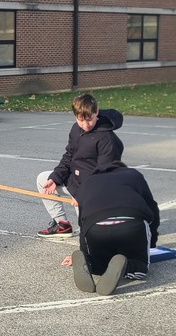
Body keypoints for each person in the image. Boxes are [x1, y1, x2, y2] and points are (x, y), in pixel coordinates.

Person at [36, 92, 123, 237]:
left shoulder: (108, 139)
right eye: (80, 120)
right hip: (76, 182)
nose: (85, 125)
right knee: (43, 179)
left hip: (96, 191)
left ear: (96, 112)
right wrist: (55, 178)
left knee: (90, 236)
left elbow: (104, 176)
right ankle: (62, 225)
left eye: (89, 119)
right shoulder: (76, 129)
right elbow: (68, 157)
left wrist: (84, 195)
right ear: (75, 116)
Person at [69, 160, 160, 296]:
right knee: (141, 266)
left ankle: (90, 263)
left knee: (101, 266)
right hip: (130, 223)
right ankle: (127, 266)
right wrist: (151, 243)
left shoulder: (86, 183)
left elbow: (82, 223)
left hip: (95, 226)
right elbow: (152, 207)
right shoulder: (133, 175)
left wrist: (84, 252)